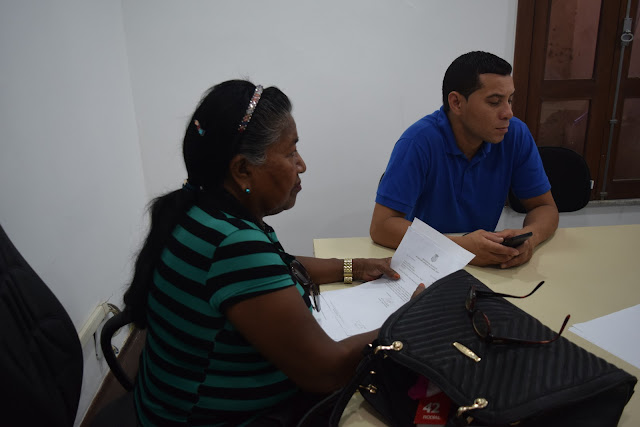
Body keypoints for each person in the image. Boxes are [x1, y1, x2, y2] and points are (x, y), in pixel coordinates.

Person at [123, 80, 423, 426]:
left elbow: (278, 266)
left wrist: (354, 267)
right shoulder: (234, 245)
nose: (302, 164)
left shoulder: (201, 212)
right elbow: (325, 370)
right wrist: (409, 319)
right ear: (242, 169)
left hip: (167, 406)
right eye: (290, 152)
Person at [370, 51, 559, 269]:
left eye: (510, 100)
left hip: (486, 263)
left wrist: (530, 239)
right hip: (426, 262)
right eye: (495, 102)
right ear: (457, 103)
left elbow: (544, 207)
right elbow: (381, 227)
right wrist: (460, 248)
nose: (508, 113)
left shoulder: (515, 134)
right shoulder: (418, 142)